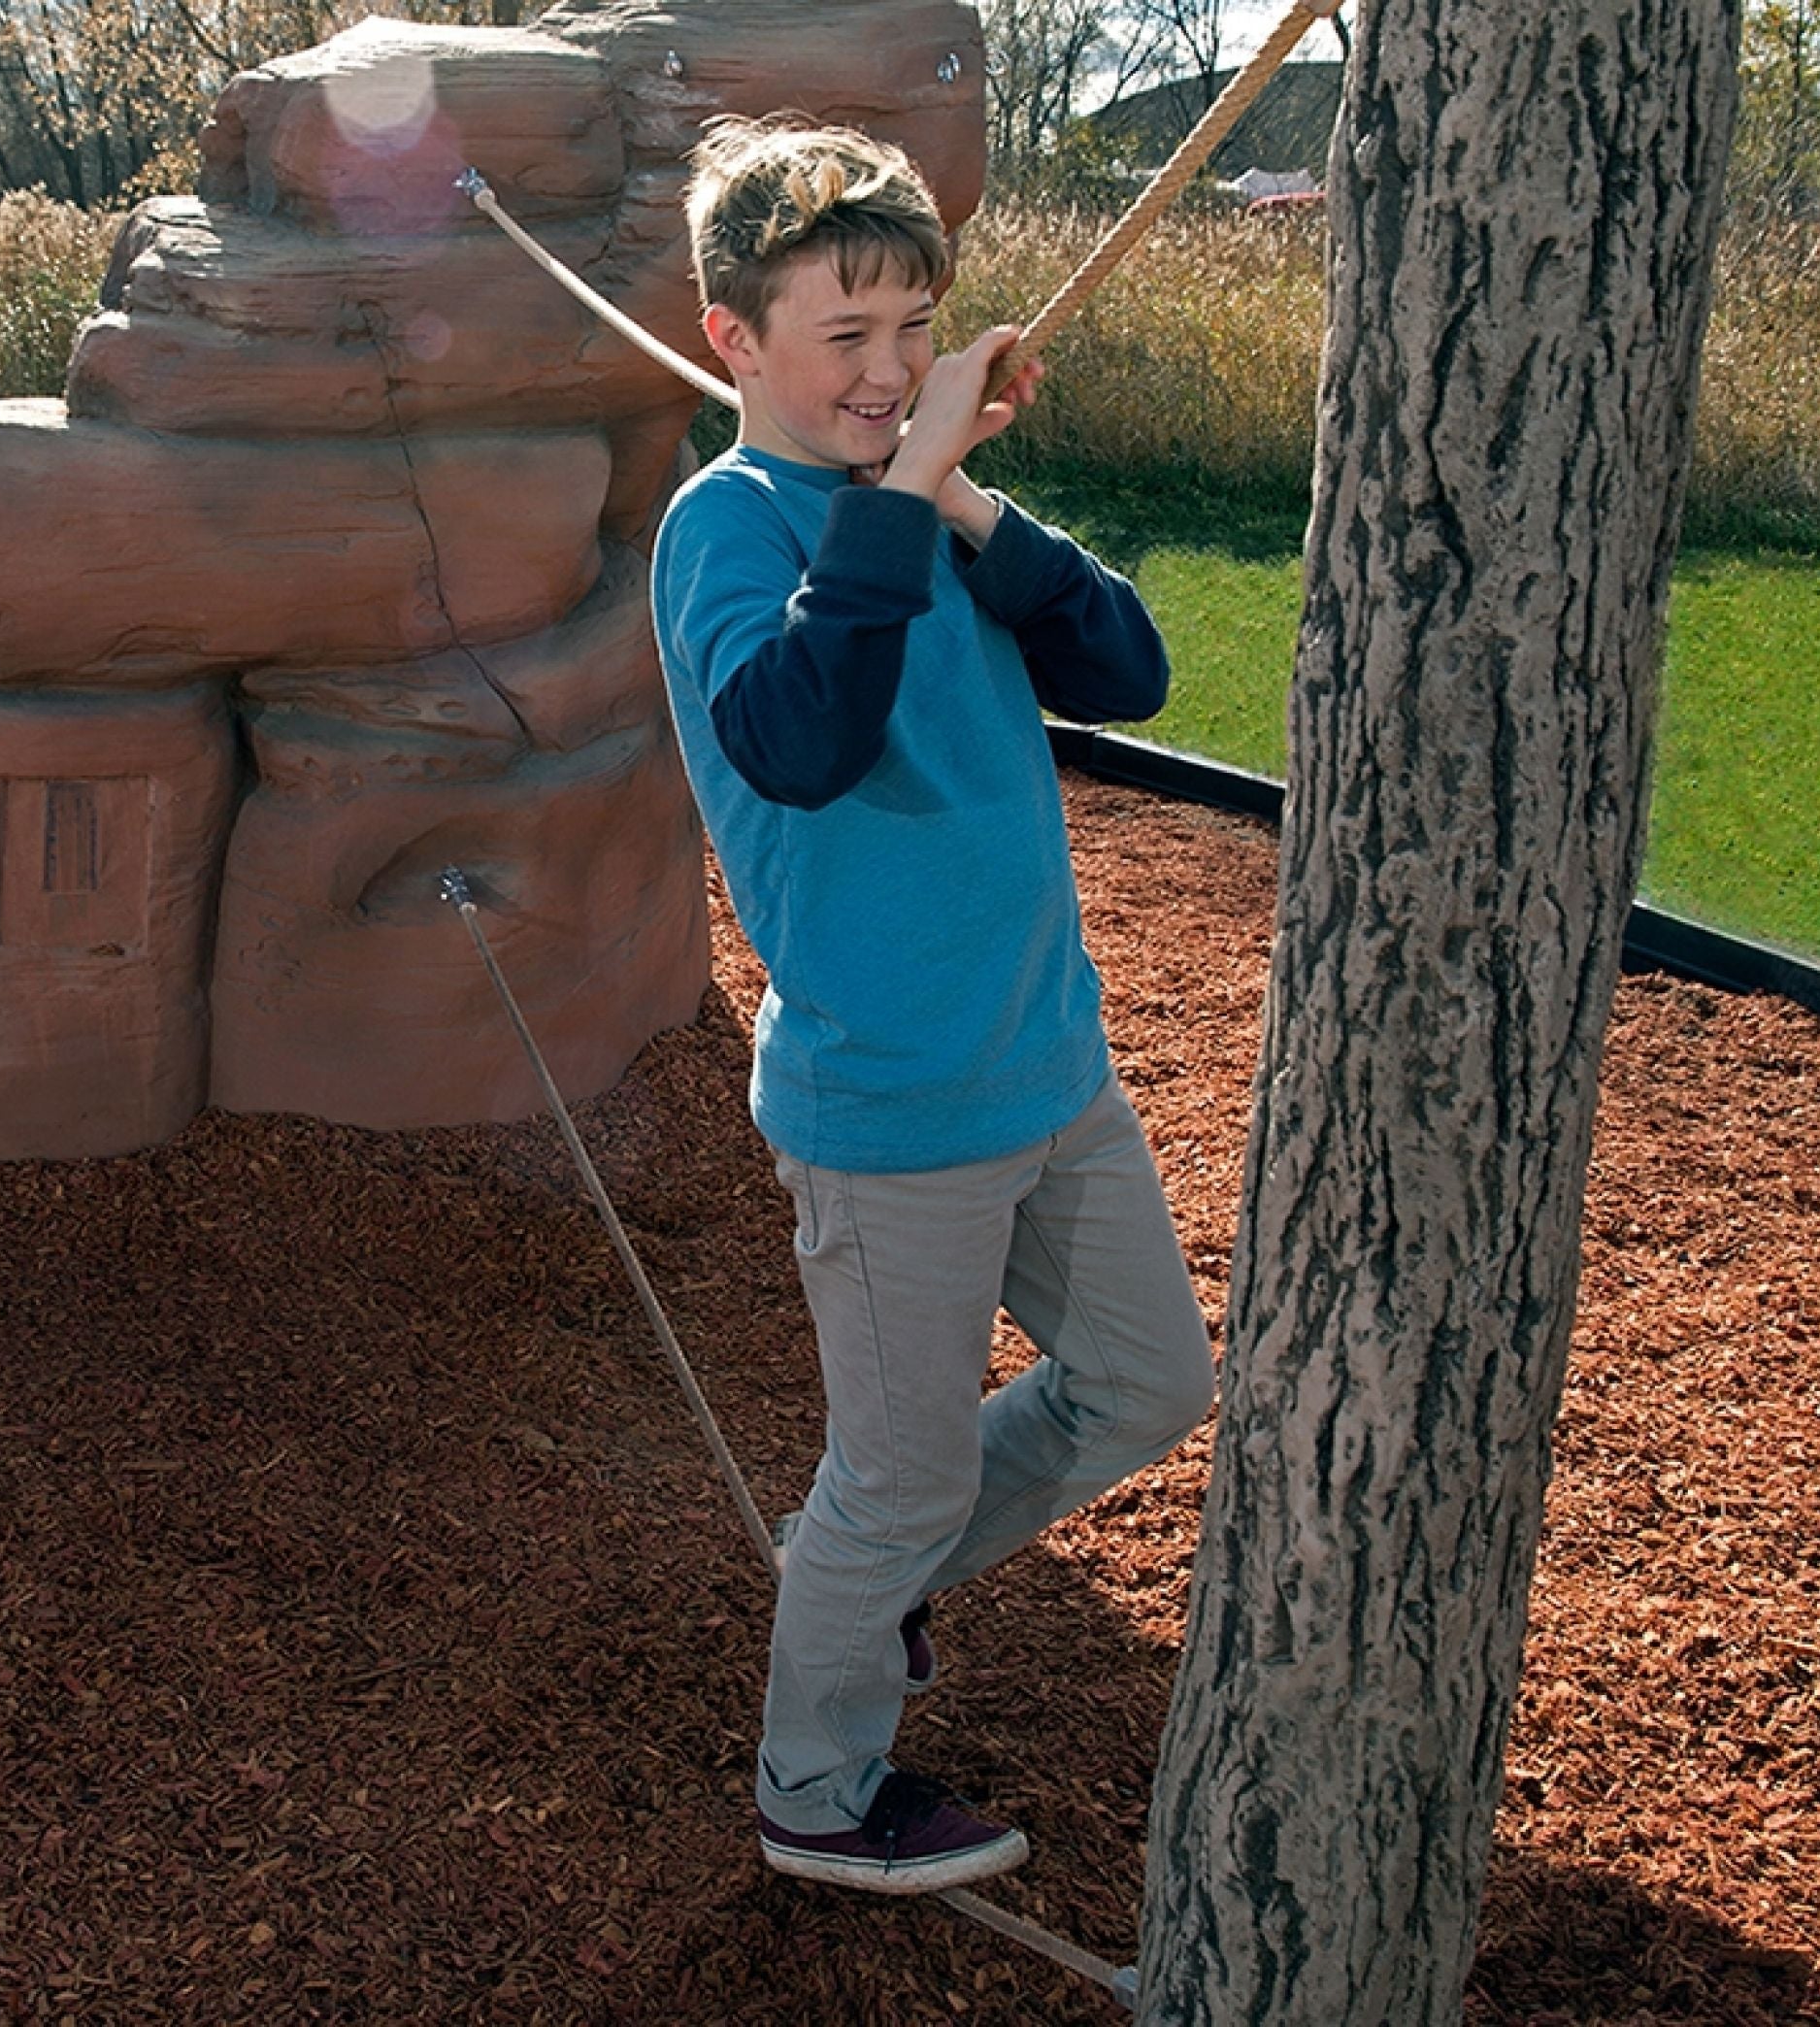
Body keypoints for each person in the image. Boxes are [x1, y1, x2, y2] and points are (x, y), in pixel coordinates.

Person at [648, 116, 1217, 1898]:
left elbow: (1129, 670)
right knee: (886, 1484)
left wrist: (967, 500)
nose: (893, 372)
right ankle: (814, 1790)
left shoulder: (939, 511)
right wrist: (901, 505)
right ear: (737, 340)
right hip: (890, 1106)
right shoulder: (727, 527)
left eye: (916, 330)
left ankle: (871, 1590)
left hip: (1050, 1066)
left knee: (1146, 1381)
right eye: (846, 338)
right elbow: (801, 742)